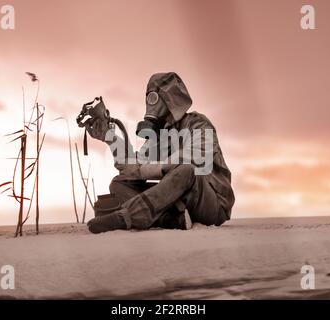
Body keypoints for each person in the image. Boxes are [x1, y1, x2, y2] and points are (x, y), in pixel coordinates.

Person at [84, 72, 234, 233]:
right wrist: (110, 137)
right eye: (148, 97)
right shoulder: (158, 136)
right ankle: (169, 220)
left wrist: (147, 170)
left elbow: (196, 158)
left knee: (186, 170)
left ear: (172, 98)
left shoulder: (197, 123)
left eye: (154, 97)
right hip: (179, 202)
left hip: (211, 203)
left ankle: (126, 217)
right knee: (119, 182)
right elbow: (133, 167)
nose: (151, 103)